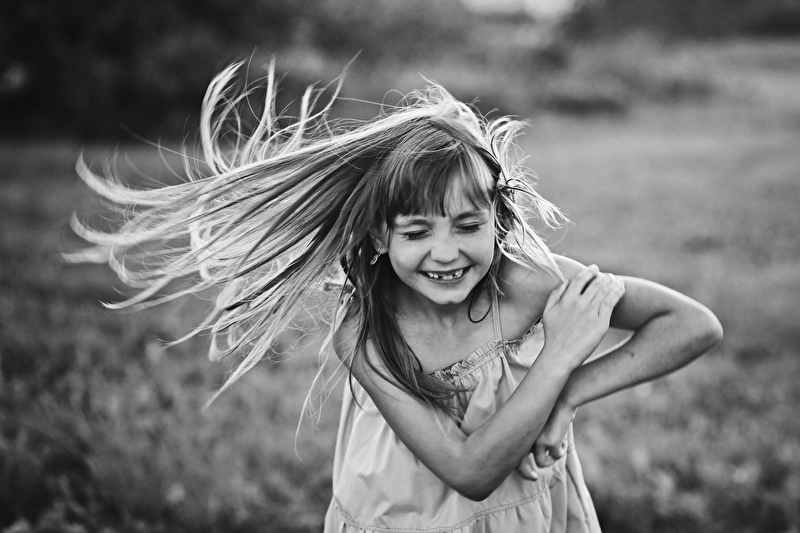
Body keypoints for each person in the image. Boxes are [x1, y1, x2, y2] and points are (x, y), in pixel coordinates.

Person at [70, 61, 723, 532]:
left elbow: (692, 324)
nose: (446, 252)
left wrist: (569, 395)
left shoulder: (531, 284)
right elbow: (469, 472)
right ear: (381, 234)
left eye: (467, 226)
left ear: (496, 221)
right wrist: (557, 360)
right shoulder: (366, 331)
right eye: (417, 232)